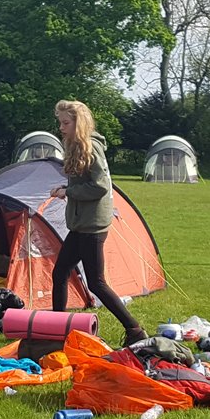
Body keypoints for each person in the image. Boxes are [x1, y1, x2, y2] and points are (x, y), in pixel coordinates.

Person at [49, 100, 146, 348]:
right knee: (60, 272)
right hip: (81, 224)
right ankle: (58, 329)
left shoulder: (91, 147)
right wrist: (66, 188)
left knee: (96, 283)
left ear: (78, 123)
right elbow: (84, 183)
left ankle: (135, 330)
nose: (61, 127)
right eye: (60, 122)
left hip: (92, 225)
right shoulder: (77, 146)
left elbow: (101, 186)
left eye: (66, 123)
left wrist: (69, 192)